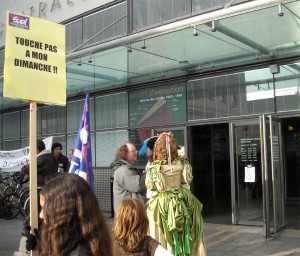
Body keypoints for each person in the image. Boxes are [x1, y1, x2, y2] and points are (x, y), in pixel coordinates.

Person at [143, 132, 207, 256]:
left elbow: (150, 185)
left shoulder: (154, 166)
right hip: (183, 200)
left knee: (164, 233)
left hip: (162, 203)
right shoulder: (182, 163)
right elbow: (185, 180)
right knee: (188, 229)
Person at [28, 173, 113, 256]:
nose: (41, 215)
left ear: (65, 213)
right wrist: (41, 244)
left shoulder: (79, 252)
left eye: (46, 209)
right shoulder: (71, 240)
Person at [110, 142, 146, 213]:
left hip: (128, 212)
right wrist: (146, 173)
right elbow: (138, 186)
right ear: (125, 154)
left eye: (136, 151)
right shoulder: (123, 170)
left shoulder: (126, 168)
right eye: (133, 151)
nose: (136, 153)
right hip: (127, 214)